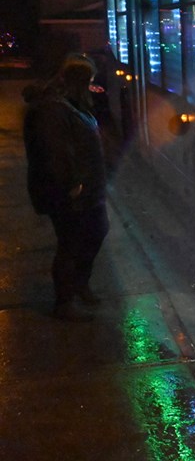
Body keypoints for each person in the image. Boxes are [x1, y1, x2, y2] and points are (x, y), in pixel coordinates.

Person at [23, 55, 110, 321]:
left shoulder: (71, 104)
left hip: (87, 191)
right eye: (89, 82)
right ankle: (65, 302)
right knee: (70, 244)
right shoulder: (53, 109)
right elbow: (56, 153)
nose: (92, 87)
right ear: (78, 82)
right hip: (70, 194)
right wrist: (73, 186)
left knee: (97, 231)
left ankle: (80, 284)